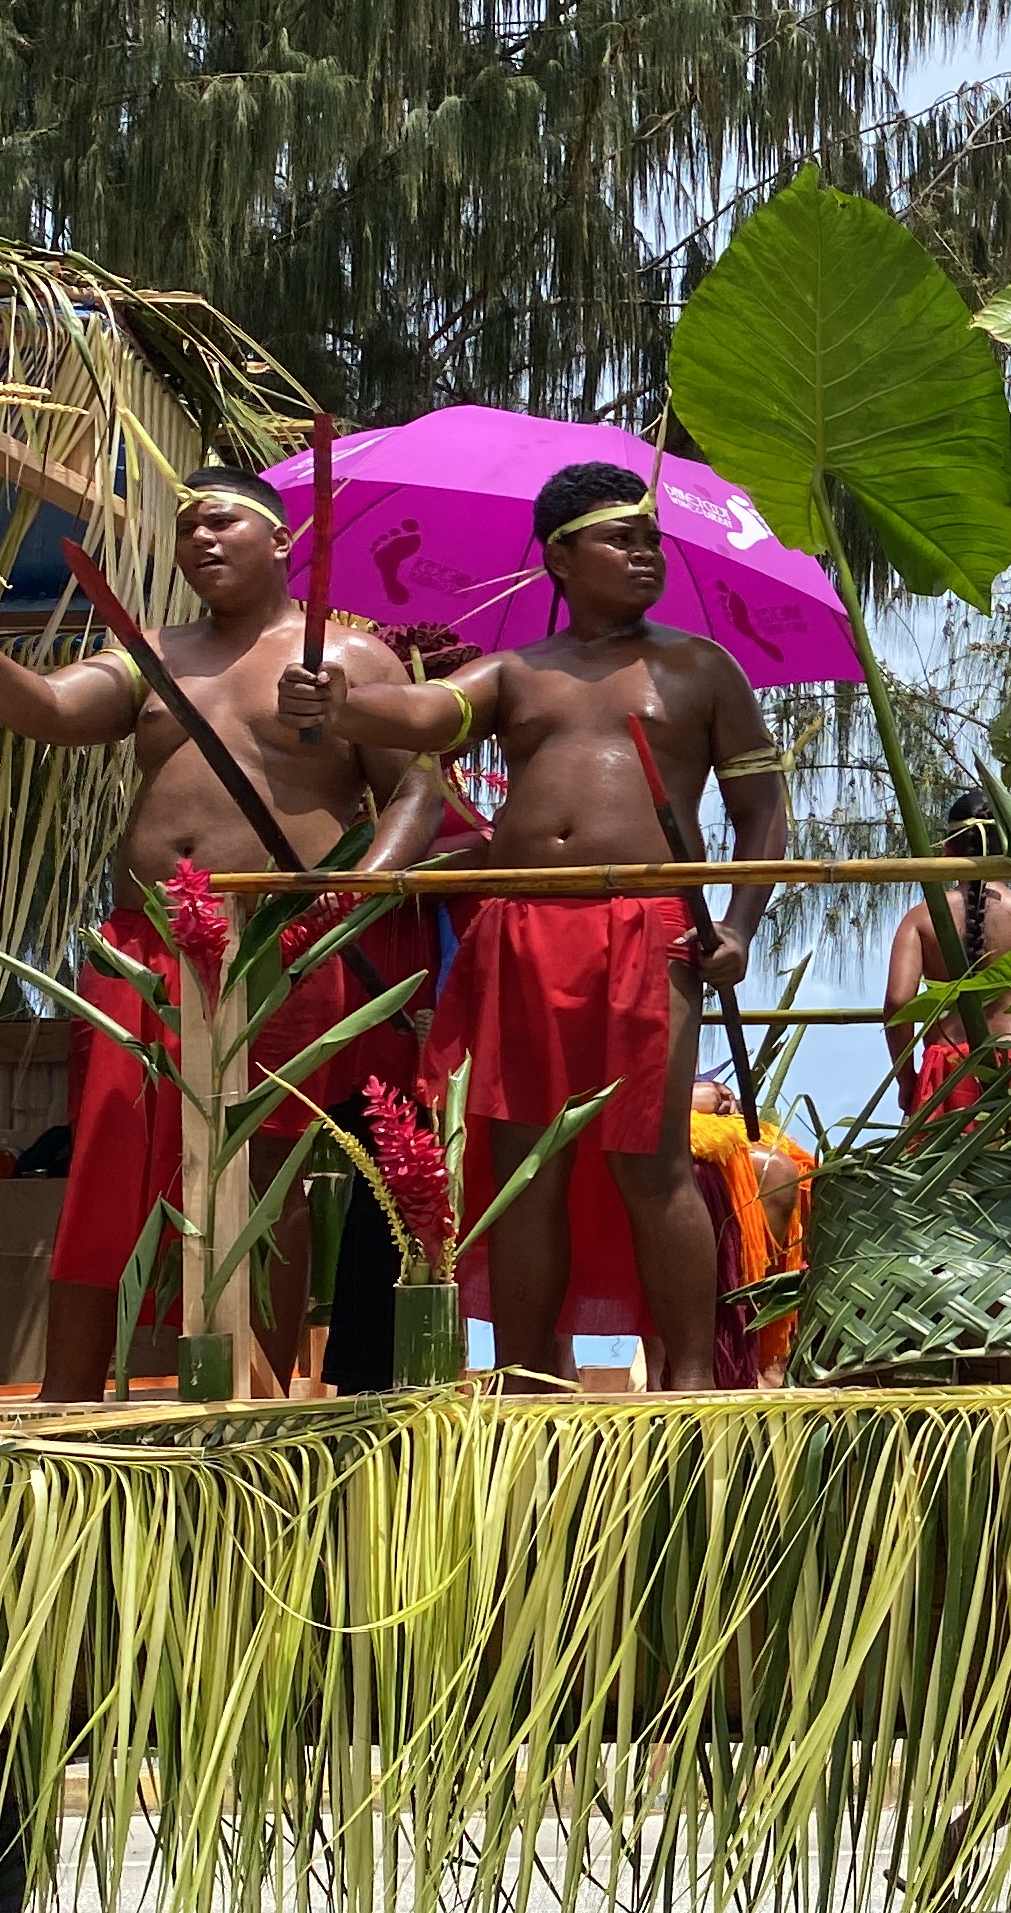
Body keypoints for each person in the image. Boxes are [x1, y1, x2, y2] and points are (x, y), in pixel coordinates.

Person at [0, 465, 443, 1402]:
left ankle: (249, 1385)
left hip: (285, 941)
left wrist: (367, 883)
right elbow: (47, 709)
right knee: (107, 1156)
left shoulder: (354, 658)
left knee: (263, 1167)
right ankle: (73, 1388)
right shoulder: (150, 654)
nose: (201, 541)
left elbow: (415, 782)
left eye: (222, 524)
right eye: (187, 530)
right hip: (148, 941)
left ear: (280, 538)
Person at [283, 460, 789, 1391]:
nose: (645, 556)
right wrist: (346, 703)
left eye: (652, 541)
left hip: (648, 930)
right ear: (560, 556)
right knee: (524, 1166)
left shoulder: (701, 669)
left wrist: (742, 928)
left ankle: (688, 1379)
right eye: (620, 539)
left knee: (650, 1159)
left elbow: (763, 814)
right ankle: (525, 1377)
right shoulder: (516, 671)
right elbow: (434, 713)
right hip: (520, 930)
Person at [879, 791, 1011, 1120]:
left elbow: (898, 1003)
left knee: (942, 1171)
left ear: (948, 850)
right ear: (1009, 850)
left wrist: (907, 1081)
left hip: (949, 1077)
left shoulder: (922, 918)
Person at [689, 1077, 811, 1386]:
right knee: (773, 1171)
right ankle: (734, 1355)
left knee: (802, 1170)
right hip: (647, 1107)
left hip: (683, 1101)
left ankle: (770, 1353)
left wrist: (710, 1090)